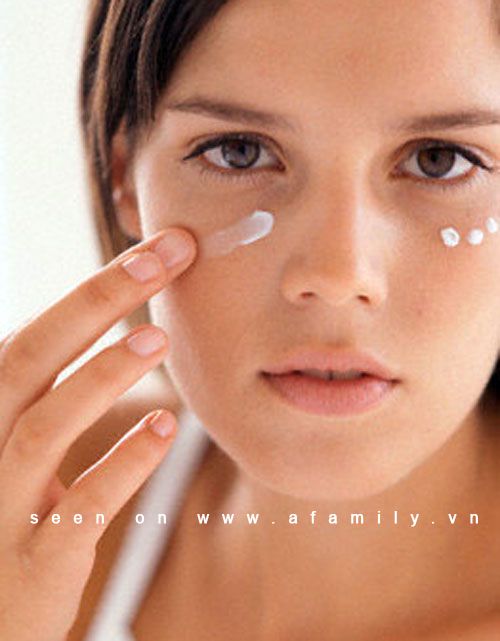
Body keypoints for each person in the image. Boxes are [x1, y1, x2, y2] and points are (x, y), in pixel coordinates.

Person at [1, 1, 499, 639]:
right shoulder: (37, 508)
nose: (336, 276)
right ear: (124, 178)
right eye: (239, 152)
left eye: (440, 159)